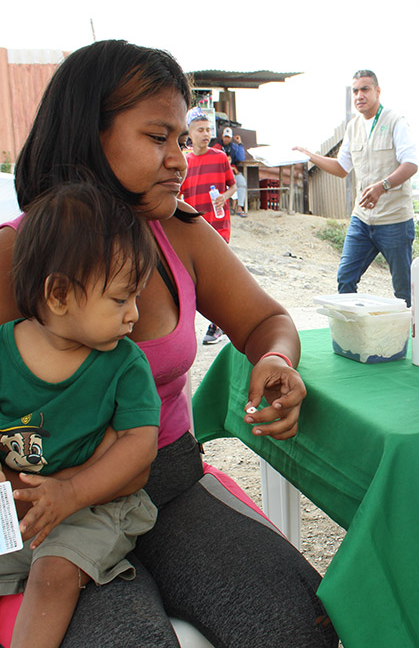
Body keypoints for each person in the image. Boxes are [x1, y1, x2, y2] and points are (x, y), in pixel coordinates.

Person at [0, 39, 337, 647]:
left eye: (182, 139)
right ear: (87, 134)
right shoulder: (17, 257)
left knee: (297, 623)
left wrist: (276, 360)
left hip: (171, 482)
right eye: (158, 138)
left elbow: (265, 320)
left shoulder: (179, 236)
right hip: (58, 507)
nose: (180, 159)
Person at [0, 182, 160, 647]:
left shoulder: (124, 363)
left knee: (54, 572)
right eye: (119, 299)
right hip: (17, 505)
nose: (134, 314)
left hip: (92, 503)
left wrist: (69, 494)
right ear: (58, 295)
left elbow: (139, 444)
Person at [294, 69, 418, 306]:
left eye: (365, 89)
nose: (359, 95)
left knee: (404, 289)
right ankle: (353, 336)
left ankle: (410, 337)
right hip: (362, 219)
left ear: (377, 91)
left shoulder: (395, 121)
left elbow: (411, 164)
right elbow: (342, 167)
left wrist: (383, 186)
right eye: (355, 91)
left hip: (394, 220)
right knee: (345, 278)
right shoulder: (353, 126)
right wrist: (309, 156)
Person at [180, 107, 236, 345]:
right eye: (200, 129)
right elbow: (177, 196)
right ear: (189, 133)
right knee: (192, 280)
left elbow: (232, 186)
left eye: (208, 130)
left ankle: (217, 325)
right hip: (194, 230)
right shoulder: (183, 162)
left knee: (215, 278)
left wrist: (225, 196)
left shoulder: (220, 157)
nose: (206, 134)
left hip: (219, 228)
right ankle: (185, 328)